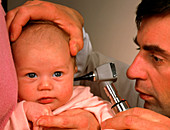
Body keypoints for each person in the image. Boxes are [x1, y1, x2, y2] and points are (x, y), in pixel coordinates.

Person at [5, 20, 116, 129]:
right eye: (32, 75)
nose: (45, 86)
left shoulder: (82, 98)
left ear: (73, 71)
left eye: (57, 74)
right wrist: (23, 110)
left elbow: (111, 118)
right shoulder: (14, 108)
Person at [101, 0, 170, 129]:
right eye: (139, 49)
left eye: (156, 58)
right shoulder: (141, 98)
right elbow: (81, 61)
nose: (131, 72)